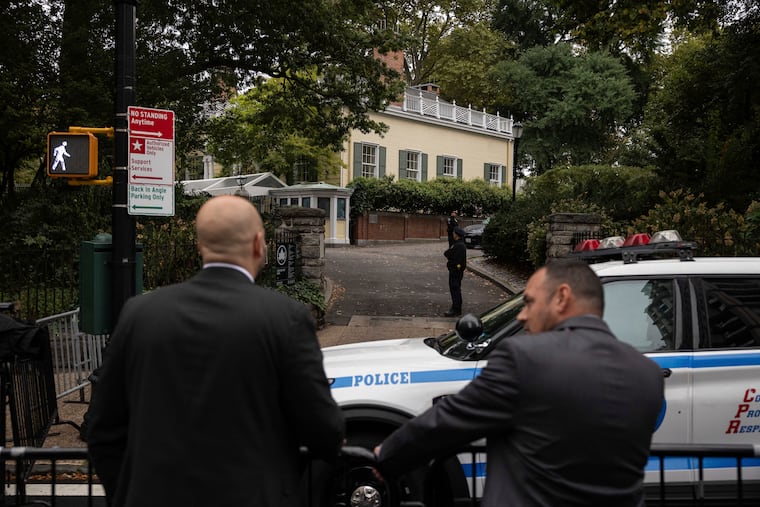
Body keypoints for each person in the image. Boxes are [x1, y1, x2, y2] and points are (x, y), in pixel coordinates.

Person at [86, 195, 345, 507]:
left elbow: (102, 431)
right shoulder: (285, 318)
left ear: (200, 247)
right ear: (258, 244)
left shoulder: (140, 314)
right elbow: (323, 431)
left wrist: (127, 495)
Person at [375, 259, 665, 507]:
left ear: (562, 298)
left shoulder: (524, 357)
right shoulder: (648, 374)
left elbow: (449, 421)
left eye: (529, 302)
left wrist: (385, 456)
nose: (522, 315)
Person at [444, 226, 466, 317]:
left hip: (455, 271)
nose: (453, 234)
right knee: (455, 289)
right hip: (456, 270)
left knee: (455, 290)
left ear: (456, 235)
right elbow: (447, 253)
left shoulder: (459, 246)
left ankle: (456, 309)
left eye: (454, 233)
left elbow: (449, 254)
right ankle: (455, 308)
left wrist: (452, 267)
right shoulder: (458, 244)